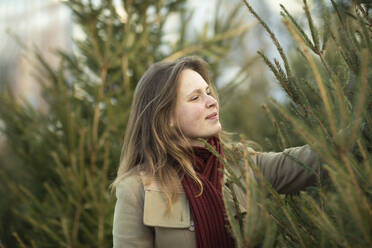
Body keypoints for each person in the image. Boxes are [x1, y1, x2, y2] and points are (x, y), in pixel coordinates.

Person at [111, 56, 321, 248]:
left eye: (208, 93)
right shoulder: (136, 189)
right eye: (195, 98)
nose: (212, 102)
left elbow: (315, 159)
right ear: (167, 118)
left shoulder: (243, 165)